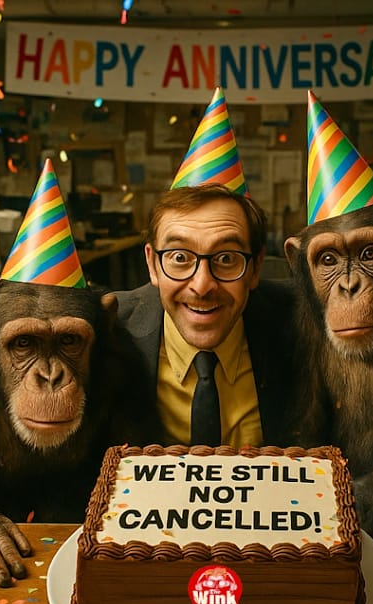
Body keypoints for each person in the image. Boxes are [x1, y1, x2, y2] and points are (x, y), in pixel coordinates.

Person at [115, 88, 296, 447]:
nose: (202, 285)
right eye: (180, 258)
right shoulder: (110, 334)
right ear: (152, 264)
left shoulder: (300, 327)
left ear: (257, 267)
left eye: (226, 259)